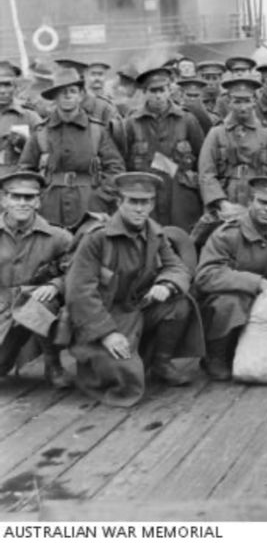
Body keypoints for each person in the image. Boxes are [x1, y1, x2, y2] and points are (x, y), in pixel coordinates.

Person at [65, 173, 198, 406]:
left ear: (152, 204)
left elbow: (177, 267)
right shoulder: (97, 237)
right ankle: (118, 360)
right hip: (106, 316)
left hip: (139, 307)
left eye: (145, 202)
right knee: (126, 384)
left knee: (180, 303)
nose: (139, 209)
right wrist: (106, 334)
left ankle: (161, 362)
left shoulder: (155, 233)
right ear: (119, 202)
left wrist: (166, 285)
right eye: (132, 202)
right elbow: (79, 292)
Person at [195, 176, 267, 381]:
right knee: (231, 302)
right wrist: (256, 282)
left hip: (262, 304)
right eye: (262, 202)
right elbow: (206, 275)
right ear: (250, 202)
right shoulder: (227, 234)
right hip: (221, 304)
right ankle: (215, 356)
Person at [18, 67, 125, 229]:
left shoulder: (96, 130)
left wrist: (101, 197)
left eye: (73, 91)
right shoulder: (42, 132)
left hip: (90, 208)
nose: (67, 95)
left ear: (81, 95)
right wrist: (40, 197)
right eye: (62, 92)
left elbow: (115, 169)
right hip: (50, 210)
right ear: (54, 97)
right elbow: (25, 171)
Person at [0, 171, 74, 388]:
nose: (22, 203)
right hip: (2, 308)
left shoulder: (58, 237)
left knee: (41, 302)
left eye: (29, 197)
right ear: (4, 200)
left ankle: (53, 365)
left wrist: (56, 285)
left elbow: (78, 271)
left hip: (34, 304)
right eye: (16, 197)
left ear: (38, 202)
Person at [198, 76, 267, 226]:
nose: (243, 107)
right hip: (225, 197)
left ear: (254, 102)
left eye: (247, 101)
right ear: (229, 103)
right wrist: (222, 203)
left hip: (259, 198)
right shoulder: (216, 133)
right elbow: (206, 173)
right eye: (237, 101)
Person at [123, 67, 205, 232]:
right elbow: (124, 162)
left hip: (181, 199)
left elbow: (202, 161)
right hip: (146, 198)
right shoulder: (132, 123)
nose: (158, 96)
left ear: (169, 91)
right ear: (144, 93)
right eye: (153, 91)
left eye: (162, 90)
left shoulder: (187, 120)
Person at [0, 61, 42, 176]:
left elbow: (47, 152)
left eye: (7, 85)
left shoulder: (29, 117)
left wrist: (25, 144)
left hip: (18, 185)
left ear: (15, 87)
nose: (2, 91)